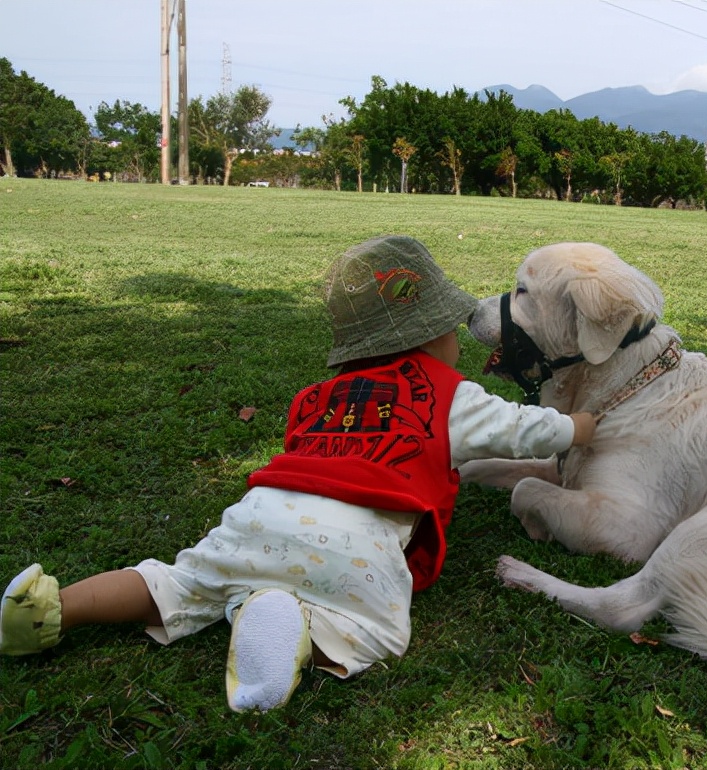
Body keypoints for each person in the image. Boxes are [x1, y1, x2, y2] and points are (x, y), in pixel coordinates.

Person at [0, 235, 596, 713]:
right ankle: (295, 625)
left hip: (257, 515)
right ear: (435, 334)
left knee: (177, 579)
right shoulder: (450, 393)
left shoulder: (315, 396)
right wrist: (585, 424)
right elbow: (534, 430)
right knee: (378, 631)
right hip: (357, 539)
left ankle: (52, 606)